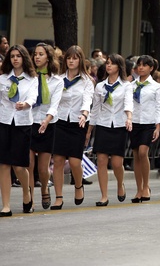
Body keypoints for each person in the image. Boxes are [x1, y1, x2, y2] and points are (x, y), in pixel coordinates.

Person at [51, 45, 94, 210]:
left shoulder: (86, 81)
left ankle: (78, 185)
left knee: (75, 162)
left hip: (78, 122)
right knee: (59, 160)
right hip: (60, 121)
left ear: (80, 60)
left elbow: (87, 100)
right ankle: (59, 197)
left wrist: (84, 115)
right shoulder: (58, 79)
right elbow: (54, 101)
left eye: (75, 58)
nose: (71, 61)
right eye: (69, 58)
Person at [87, 54, 133, 207]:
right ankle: (104, 196)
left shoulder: (126, 85)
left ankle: (120, 184)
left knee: (117, 163)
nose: (109, 66)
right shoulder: (100, 86)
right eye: (107, 63)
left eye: (112, 64)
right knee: (101, 160)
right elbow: (95, 109)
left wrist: (129, 117)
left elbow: (128, 103)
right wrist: (89, 130)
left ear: (119, 67)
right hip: (103, 124)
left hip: (119, 125)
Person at [0, 44, 38, 216]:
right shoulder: (3, 79)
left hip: (22, 123)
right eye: (12, 56)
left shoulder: (31, 79)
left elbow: (33, 97)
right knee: (3, 164)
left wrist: (26, 104)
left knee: (19, 165)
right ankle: (6, 205)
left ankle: (26, 191)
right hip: (4, 121)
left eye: (18, 56)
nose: (15, 59)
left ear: (24, 58)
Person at [29, 43, 63, 210]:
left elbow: (55, 105)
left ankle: (44, 188)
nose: (37, 57)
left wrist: (47, 120)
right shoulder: (29, 78)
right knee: (28, 164)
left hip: (48, 124)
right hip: (29, 122)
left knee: (43, 169)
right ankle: (29, 199)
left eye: (41, 54)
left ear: (48, 58)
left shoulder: (57, 81)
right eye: (35, 54)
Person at [130, 55, 160, 203]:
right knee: (136, 155)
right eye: (139, 65)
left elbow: (159, 107)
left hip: (149, 123)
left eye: (144, 65)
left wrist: (157, 126)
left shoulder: (156, 86)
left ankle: (146, 186)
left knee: (144, 152)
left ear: (151, 68)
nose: (141, 68)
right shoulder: (131, 85)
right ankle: (139, 189)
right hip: (134, 122)